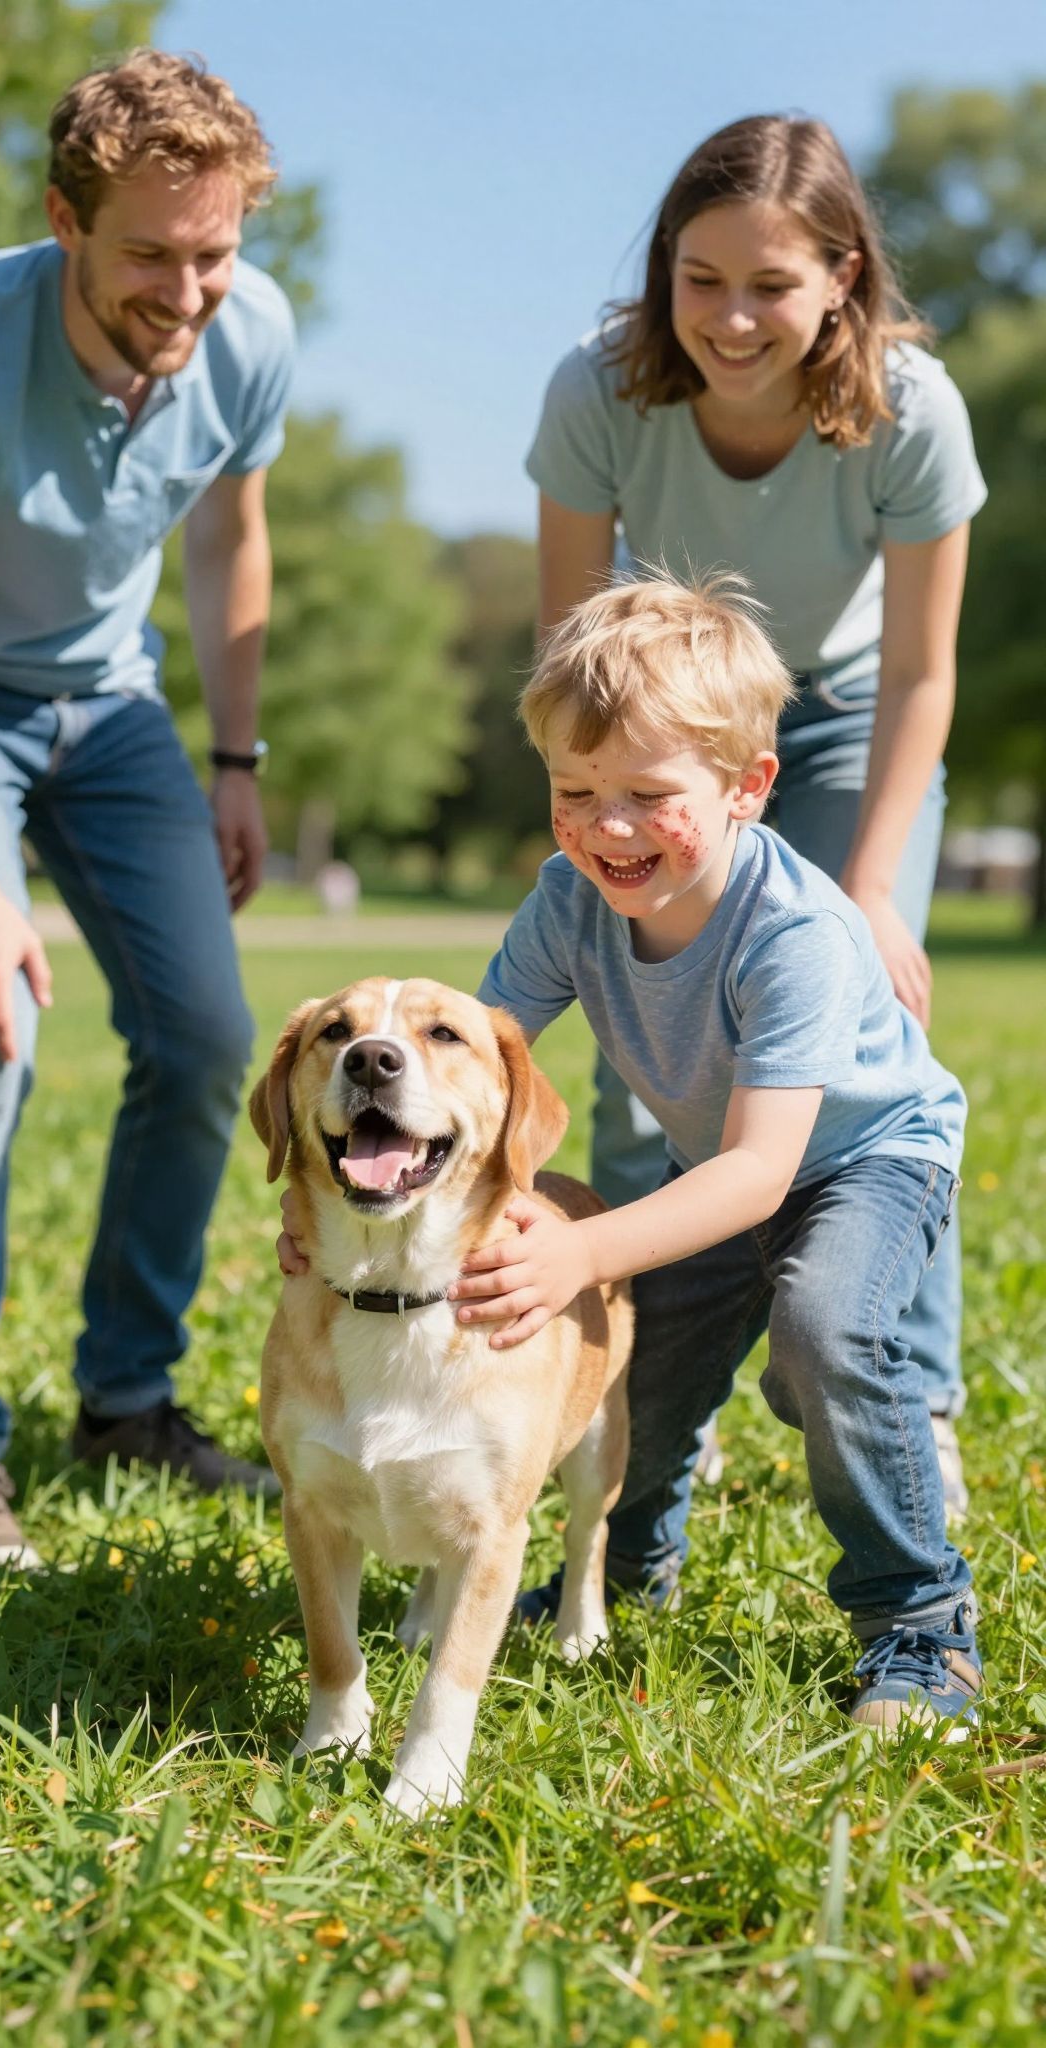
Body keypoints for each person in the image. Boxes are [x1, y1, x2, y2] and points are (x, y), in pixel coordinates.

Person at [525, 115, 986, 1512]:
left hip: (839, 717)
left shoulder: (912, 409)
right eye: (700, 277)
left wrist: (877, 886)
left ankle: (911, 1386)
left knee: (874, 1027)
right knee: (638, 1013)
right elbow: (569, 648)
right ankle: (659, 1373)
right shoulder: (599, 392)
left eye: (772, 285)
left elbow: (919, 670)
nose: (731, 318)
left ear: (843, 277)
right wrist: (608, 815)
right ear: (665, 269)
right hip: (656, 722)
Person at [0, 50, 296, 1567]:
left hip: (113, 705)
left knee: (202, 1041)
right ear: (65, 219)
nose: (187, 292)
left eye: (215, 252)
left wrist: (236, 763)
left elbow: (228, 542)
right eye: (149, 255)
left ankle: (127, 1399)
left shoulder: (248, 331)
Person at [455, 572, 980, 1732]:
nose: (606, 825)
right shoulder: (566, 900)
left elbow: (760, 1171)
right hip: (730, 1171)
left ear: (749, 787)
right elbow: (474, 1064)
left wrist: (582, 1247)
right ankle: (627, 1566)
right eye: (574, 788)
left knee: (826, 1323)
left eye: (648, 791)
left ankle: (920, 1624)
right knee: (635, 1357)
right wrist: (375, 1187)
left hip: (866, 1160)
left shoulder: (794, 931)